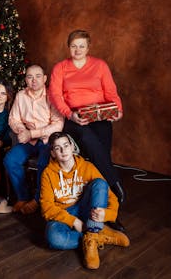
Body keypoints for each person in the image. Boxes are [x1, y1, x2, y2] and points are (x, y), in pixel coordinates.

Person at [49, 29, 126, 231]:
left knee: (101, 151)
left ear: (88, 47)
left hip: (99, 115)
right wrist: (70, 114)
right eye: (74, 46)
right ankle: (115, 186)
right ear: (69, 47)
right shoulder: (61, 68)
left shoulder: (100, 65)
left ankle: (108, 211)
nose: (78, 49)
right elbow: (56, 96)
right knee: (86, 137)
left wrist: (118, 109)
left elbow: (111, 92)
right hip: (74, 117)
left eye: (82, 46)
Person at [40, 132, 130, 270]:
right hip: (64, 213)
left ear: (72, 146)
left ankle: (91, 237)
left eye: (66, 145)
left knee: (100, 183)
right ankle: (98, 235)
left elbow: (110, 195)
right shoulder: (48, 173)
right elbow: (46, 208)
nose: (63, 151)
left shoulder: (87, 166)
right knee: (54, 238)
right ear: (52, 153)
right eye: (58, 148)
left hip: (86, 207)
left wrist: (108, 215)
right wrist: (73, 221)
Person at [3, 64, 64, 214]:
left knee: (44, 163)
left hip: (46, 140)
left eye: (37, 76)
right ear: (26, 80)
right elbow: (13, 119)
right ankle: (23, 196)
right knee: (10, 160)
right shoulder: (20, 95)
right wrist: (22, 130)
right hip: (27, 140)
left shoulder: (52, 96)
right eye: (29, 77)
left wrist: (32, 133)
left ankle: (37, 199)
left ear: (44, 79)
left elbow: (58, 124)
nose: (34, 80)